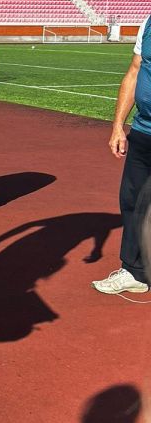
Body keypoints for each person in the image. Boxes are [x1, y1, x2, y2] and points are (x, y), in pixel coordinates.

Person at [92, 16, 151, 295]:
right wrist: (118, 126)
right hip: (142, 131)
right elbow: (134, 71)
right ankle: (135, 272)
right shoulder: (148, 23)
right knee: (133, 201)